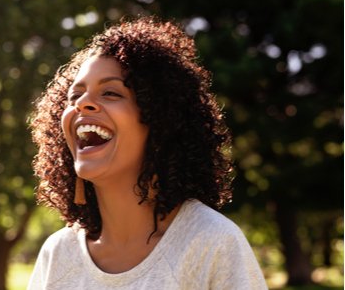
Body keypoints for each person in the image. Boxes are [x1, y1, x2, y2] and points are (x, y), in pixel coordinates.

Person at [28, 16, 267, 289]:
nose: (82, 104)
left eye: (111, 93)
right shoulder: (58, 254)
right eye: (74, 96)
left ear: (160, 121)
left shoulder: (212, 242)